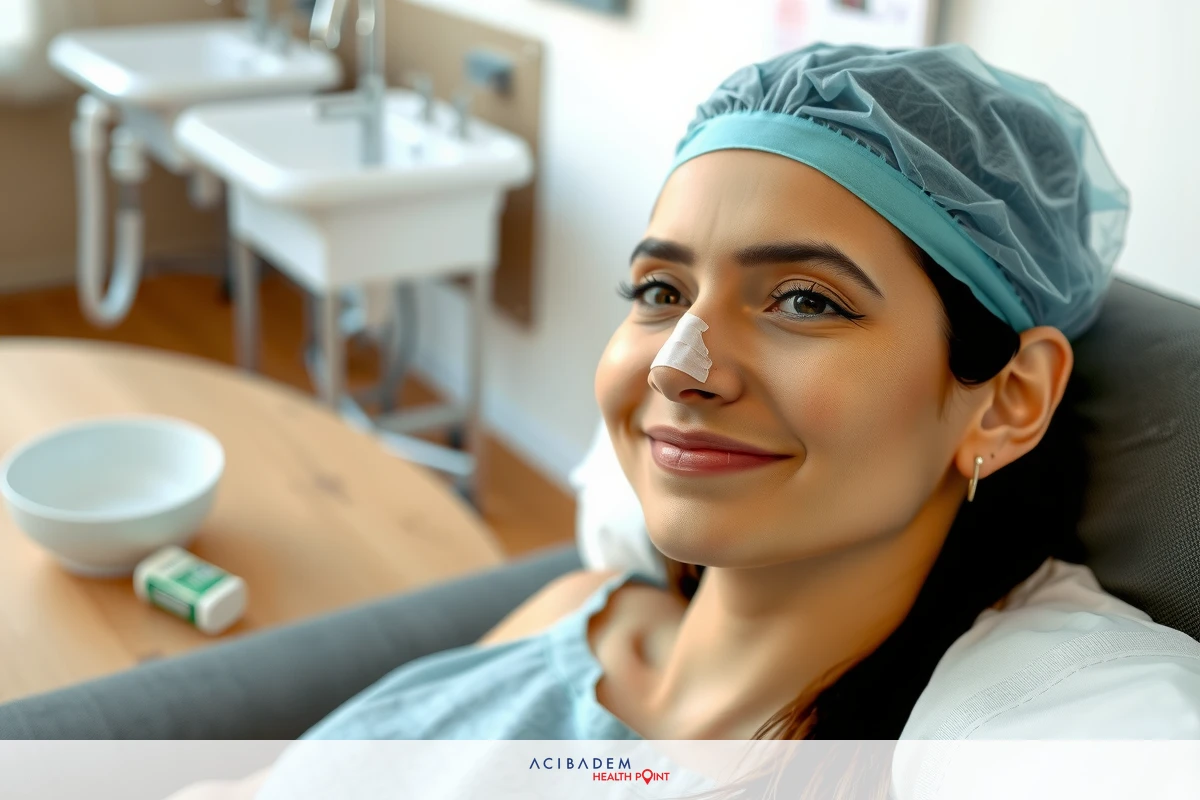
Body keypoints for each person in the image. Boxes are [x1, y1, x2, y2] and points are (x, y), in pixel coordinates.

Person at [286, 42, 1200, 751]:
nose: (677, 367)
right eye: (660, 292)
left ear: (1006, 400)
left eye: (805, 300)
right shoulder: (577, 612)